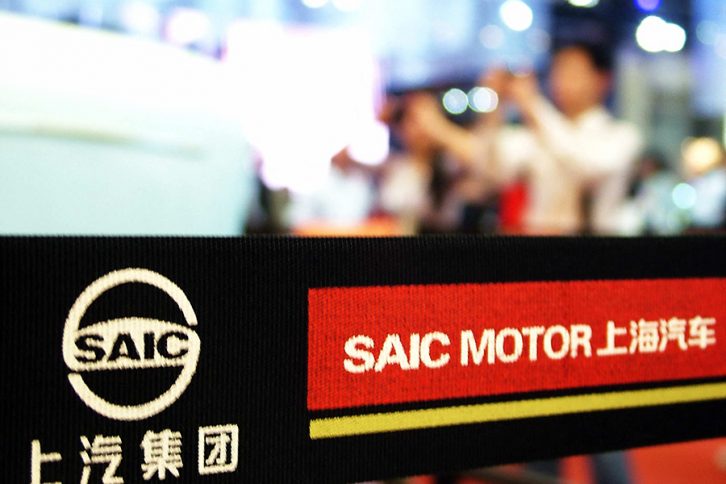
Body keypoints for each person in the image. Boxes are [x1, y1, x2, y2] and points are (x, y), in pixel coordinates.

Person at [408, 42, 643, 235]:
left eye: (572, 72)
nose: (562, 81)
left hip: (598, 253)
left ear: (603, 80)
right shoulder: (539, 133)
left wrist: (532, 103)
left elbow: (585, 166)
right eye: (558, 72)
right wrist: (494, 109)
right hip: (539, 248)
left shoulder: (621, 135)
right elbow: (488, 168)